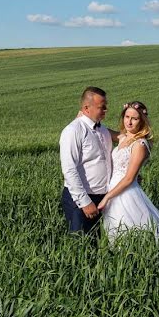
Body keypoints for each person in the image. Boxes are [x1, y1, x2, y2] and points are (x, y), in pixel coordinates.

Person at [98, 101, 159, 241]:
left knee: (129, 232)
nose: (129, 122)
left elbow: (129, 178)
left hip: (124, 192)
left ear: (142, 121)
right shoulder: (122, 137)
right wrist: (83, 118)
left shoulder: (140, 144)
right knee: (116, 232)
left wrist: (107, 197)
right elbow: (100, 129)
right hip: (113, 189)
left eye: (134, 118)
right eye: (126, 117)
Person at [59, 86, 120, 234]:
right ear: (87, 108)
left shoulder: (102, 130)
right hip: (82, 199)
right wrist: (85, 202)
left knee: (101, 243)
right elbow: (69, 169)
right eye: (102, 107)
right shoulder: (73, 131)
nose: (106, 110)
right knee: (82, 245)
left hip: (105, 198)